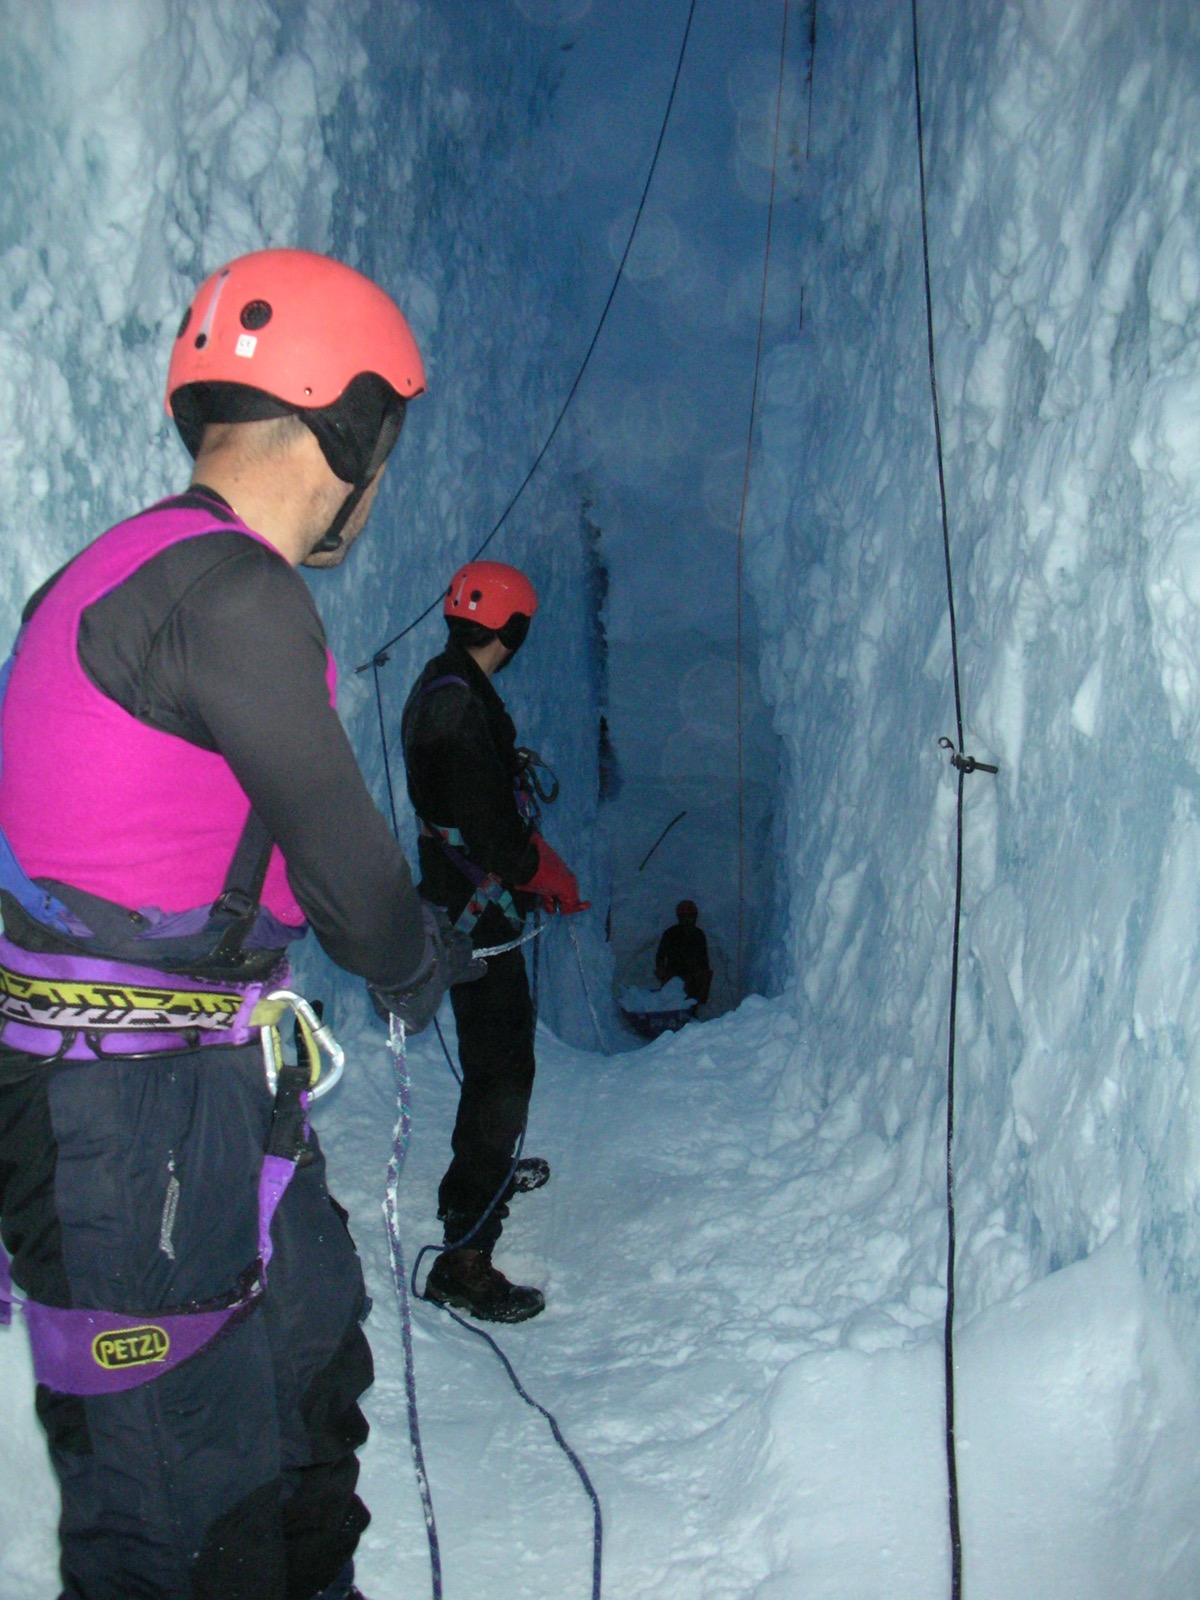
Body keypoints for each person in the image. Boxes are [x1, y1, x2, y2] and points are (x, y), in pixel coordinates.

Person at [0, 249, 479, 1600]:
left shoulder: (111, 572)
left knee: (306, 1354)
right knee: (176, 1491)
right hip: (129, 1118)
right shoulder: (236, 593)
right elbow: (348, 875)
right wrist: (413, 966)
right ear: (350, 422)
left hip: (173, 1088)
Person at [401, 560, 587, 1323]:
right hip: (477, 917)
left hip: (460, 903)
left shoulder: (442, 684)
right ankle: (465, 1254)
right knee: (504, 1071)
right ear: (510, 630)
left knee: (492, 1064)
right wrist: (543, 873)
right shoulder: (460, 715)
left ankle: (479, 1180)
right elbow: (498, 840)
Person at [655, 899, 712, 1006]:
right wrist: (662, 971)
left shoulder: (699, 935)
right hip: (673, 978)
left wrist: (703, 981)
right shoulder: (670, 933)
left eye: (690, 916)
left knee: (690, 1006)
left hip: (692, 980)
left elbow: (703, 959)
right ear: (679, 917)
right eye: (684, 916)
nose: (687, 920)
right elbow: (660, 956)